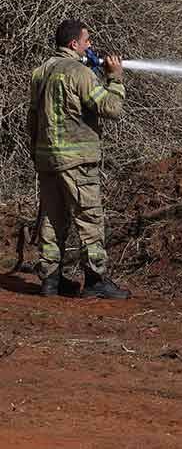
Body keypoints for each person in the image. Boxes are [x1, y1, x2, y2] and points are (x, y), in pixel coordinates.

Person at [26, 19, 130, 299]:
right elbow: (111, 108)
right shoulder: (80, 73)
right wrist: (115, 78)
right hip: (77, 160)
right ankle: (95, 280)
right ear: (74, 44)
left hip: (47, 160)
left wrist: (37, 153)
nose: (91, 45)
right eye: (87, 41)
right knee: (89, 218)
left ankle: (50, 281)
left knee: (51, 219)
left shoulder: (41, 71)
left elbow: (32, 118)